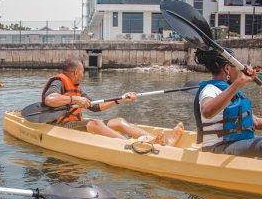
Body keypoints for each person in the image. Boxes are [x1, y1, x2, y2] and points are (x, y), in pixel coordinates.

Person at [42, 59, 184, 146]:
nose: (83, 75)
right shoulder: (58, 83)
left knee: (119, 121)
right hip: (60, 126)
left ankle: (158, 141)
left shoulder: (76, 88)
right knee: (96, 123)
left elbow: (96, 107)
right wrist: (75, 99)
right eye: (82, 72)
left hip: (74, 122)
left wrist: (121, 99)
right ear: (75, 73)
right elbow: (50, 99)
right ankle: (131, 145)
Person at [194, 48, 262, 157]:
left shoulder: (231, 92)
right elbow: (207, 112)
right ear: (227, 68)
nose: (240, 71)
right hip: (218, 148)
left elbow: (256, 122)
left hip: (237, 144)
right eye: (237, 67)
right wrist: (239, 82)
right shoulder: (210, 89)